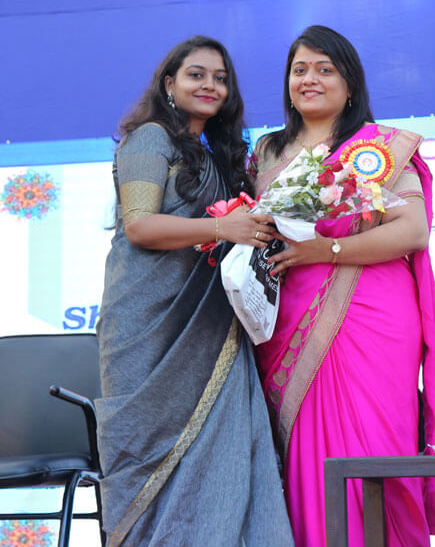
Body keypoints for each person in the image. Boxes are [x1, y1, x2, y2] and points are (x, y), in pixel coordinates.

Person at [249, 26, 435, 546]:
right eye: (299, 69)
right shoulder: (266, 151)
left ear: (350, 84)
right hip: (288, 321)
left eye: (325, 69)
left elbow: (411, 231)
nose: (310, 79)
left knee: (374, 447)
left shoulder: (377, 147)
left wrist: (324, 251)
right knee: (304, 459)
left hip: (371, 317)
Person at [93, 37, 293, 546]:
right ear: (169, 83)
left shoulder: (220, 160)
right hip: (148, 325)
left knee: (225, 456)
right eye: (196, 75)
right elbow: (140, 225)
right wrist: (224, 228)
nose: (210, 86)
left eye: (220, 79)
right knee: (150, 457)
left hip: (212, 327)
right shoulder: (150, 139)